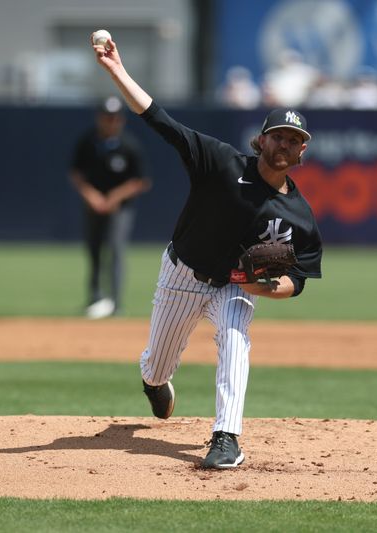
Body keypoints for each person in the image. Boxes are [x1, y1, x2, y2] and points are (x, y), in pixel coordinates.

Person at [90, 32, 323, 469]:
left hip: (232, 287)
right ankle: (154, 379)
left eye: (295, 141)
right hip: (182, 275)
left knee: (236, 336)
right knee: (158, 366)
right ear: (262, 139)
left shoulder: (298, 214)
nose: (285, 146)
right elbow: (159, 119)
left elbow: (300, 278)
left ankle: (226, 437)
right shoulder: (220, 162)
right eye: (279, 137)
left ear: (302, 151)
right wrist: (116, 70)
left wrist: (264, 287)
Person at [69, 96, 151, 319]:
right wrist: (92, 196)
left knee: (116, 250)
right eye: (107, 117)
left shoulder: (128, 145)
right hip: (93, 205)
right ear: (100, 118)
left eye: (115, 117)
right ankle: (94, 299)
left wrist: (114, 197)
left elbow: (141, 180)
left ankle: (115, 303)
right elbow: (76, 173)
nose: (111, 122)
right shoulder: (88, 142)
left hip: (120, 208)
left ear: (121, 120)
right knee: (93, 250)